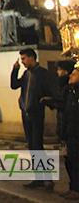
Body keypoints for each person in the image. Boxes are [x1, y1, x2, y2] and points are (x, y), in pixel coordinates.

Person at [10, 47, 55, 190]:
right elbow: (14, 85)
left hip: (36, 113)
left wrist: (44, 100)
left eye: (23, 59)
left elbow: (50, 92)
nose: (22, 62)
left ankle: (47, 179)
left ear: (31, 57)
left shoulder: (42, 73)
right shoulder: (26, 74)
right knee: (32, 146)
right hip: (25, 113)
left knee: (37, 145)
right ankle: (38, 178)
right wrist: (15, 70)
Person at [60, 66, 79, 200]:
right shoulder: (69, 92)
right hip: (70, 133)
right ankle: (72, 187)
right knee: (69, 162)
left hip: (77, 133)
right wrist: (63, 134)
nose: (70, 76)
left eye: (73, 74)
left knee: (76, 162)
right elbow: (65, 114)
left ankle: (77, 189)